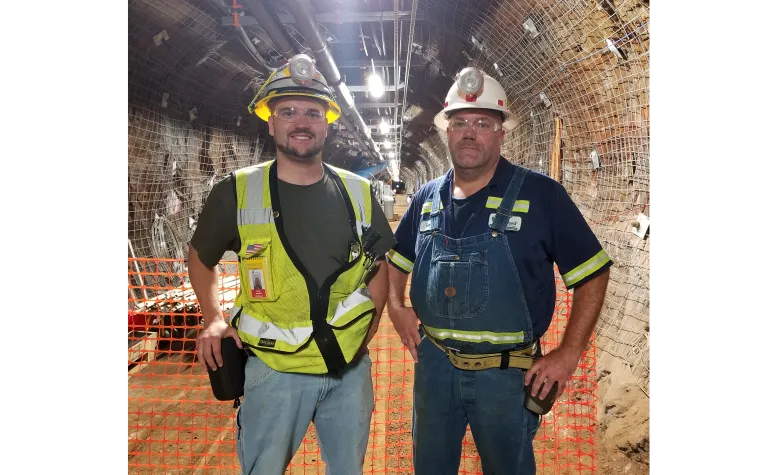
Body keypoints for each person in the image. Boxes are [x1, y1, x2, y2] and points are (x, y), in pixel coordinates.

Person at [385, 67, 612, 474]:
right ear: (447, 132)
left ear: (501, 132)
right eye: (460, 123)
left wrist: (569, 352)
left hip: (507, 378)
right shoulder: (425, 198)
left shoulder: (542, 195)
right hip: (435, 367)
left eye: (483, 123)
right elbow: (396, 258)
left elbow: (592, 273)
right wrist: (395, 306)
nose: (470, 132)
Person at [188, 53, 396, 475]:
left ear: (327, 122)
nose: (300, 121)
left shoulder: (358, 192)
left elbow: (379, 266)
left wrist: (366, 334)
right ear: (271, 122)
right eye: (288, 112)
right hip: (273, 371)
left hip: (348, 371)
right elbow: (200, 256)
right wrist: (212, 317)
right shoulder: (236, 192)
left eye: (312, 112)